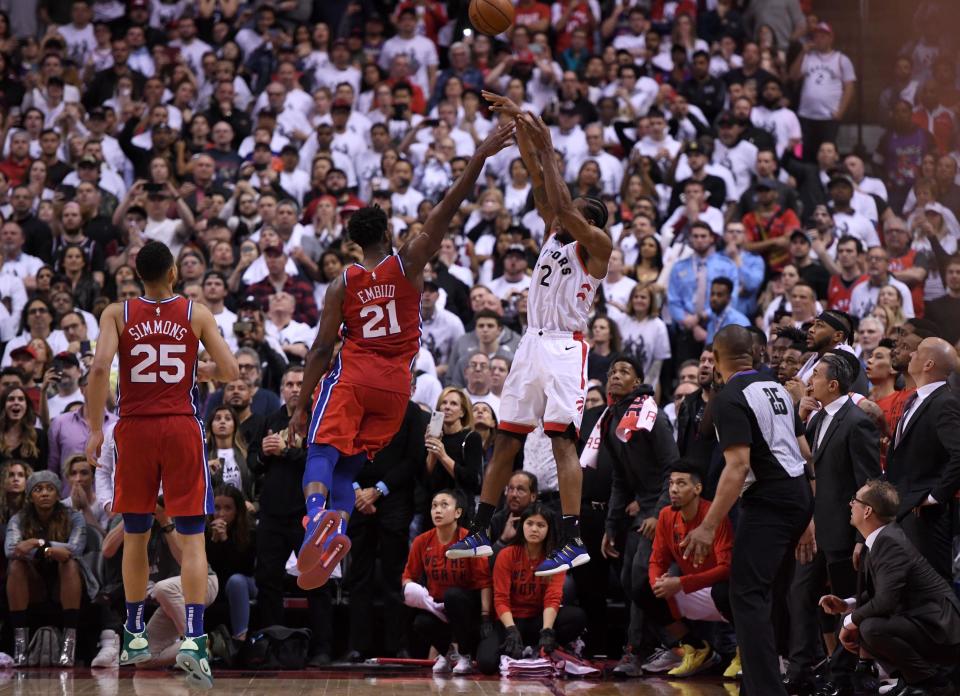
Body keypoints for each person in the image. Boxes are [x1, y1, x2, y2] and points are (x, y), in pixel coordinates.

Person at [290, 121, 516, 590]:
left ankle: (315, 522)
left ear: (353, 241)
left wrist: (298, 406)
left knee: (321, 451)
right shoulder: (409, 261)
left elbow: (318, 350)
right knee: (351, 465)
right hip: (396, 387)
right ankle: (334, 531)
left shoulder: (342, 283)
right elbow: (449, 206)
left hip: (352, 377)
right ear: (387, 232)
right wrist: (479, 155)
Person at [446, 99, 612, 576]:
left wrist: (550, 150)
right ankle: (479, 526)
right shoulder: (555, 233)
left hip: (564, 346)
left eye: (575, 214)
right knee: (505, 438)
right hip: (530, 344)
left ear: (589, 221)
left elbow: (558, 198)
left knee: (561, 441)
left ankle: (573, 536)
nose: (560, 216)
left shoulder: (597, 247)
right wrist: (520, 123)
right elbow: (543, 186)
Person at [84, 240, 238, 688]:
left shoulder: (117, 313)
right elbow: (229, 370)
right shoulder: (195, 313)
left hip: (134, 428)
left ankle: (133, 633)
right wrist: (199, 370)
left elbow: (98, 370)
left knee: (136, 533)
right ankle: (194, 638)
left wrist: (96, 429)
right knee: (191, 539)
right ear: (173, 273)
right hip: (181, 427)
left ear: (137, 275)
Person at [681, 325, 812, 696]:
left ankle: (766, 690)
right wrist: (811, 509)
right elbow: (804, 451)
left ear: (718, 357)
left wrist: (708, 526)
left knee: (747, 595)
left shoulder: (728, 397)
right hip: (798, 493)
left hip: (769, 500)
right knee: (774, 594)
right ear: (752, 354)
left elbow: (737, 467)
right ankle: (780, 677)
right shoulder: (777, 388)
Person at [786, 354, 881, 695]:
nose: (808, 382)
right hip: (816, 529)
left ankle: (845, 676)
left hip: (844, 531)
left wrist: (861, 537)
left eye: (816, 376)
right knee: (801, 596)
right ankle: (802, 670)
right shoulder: (815, 419)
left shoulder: (856, 422)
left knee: (845, 605)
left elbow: (868, 482)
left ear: (834, 384)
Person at [820, 480, 960, 696]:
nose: (850, 505)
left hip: (941, 628)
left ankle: (933, 683)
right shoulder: (883, 537)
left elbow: (885, 601)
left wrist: (849, 622)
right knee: (865, 622)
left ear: (867, 511)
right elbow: (885, 592)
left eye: (854, 500)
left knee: (870, 627)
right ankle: (914, 680)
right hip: (924, 620)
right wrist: (848, 605)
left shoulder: (889, 542)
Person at [635, 465, 736, 678]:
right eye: (671, 483)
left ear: (697, 488)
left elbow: (726, 569)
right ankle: (696, 647)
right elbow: (656, 561)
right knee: (645, 589)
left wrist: (681, 583)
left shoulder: (714, 516)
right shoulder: (665, 515)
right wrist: (659, 584)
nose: (673, 489)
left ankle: (744, 652)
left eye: (681, 483)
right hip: (695, 592)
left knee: (726, 590)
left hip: (724, 594)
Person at [476, 502, 587, 674]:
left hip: (537, 620)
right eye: (530, 523)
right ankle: (522, 647)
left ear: (549, 529)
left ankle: (542, 644)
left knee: (577, 616)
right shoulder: (506, 554)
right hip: (509, 621)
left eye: (541, 525)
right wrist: (511, 630)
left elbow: (553, 597)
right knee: (485, 663)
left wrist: (547, 630)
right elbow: (500, 598)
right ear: (522, 527)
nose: (534, 529)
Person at [885, 337, 960, 580]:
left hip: (925, 514)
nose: (911, 355)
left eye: (916, 351)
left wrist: (935, 496)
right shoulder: (916, 398)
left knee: (931, 588)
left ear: (928, 364)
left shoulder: (944, 402)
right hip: (904, 506)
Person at [402, 490, 492, 675]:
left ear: (458, 513)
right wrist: (411, 590)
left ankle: (465, 655)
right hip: (438, 607)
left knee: (453, 595)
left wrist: (485, 616)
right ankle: (447, 653)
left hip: (467, 606)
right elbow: (408, 576)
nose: (438, 510)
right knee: (420, 621)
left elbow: (484, 582)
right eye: (434, 506)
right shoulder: (421, 541)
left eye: (444, 505)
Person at [5, 470, 87, 666]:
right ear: (30, 496)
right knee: (16, 565)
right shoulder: (19, 518)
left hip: (65, 583)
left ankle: (69, 646)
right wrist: (51, 550)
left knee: (69, 565)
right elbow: (11, 549)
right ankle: (20, 648)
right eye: (38, 489)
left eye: (50, 489)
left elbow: (75, 550)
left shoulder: (74, 517)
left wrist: (40, 543)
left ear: (58, 494)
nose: (44, 493)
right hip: (33, 582)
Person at [205, 484, 256, 643]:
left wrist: (225, 540)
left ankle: (239, 640)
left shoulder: (250, 531)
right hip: (216, 585)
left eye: (228, 508)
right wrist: (214, 541)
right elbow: (206, 569)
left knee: (236, 581)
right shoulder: (203, 532)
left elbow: (244, 569)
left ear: (237, 510)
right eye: (217, 508)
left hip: (246, 583)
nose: (221, 514)